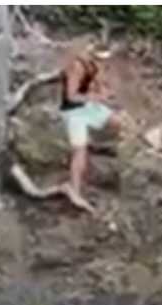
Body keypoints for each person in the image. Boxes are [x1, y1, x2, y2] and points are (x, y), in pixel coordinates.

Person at [57, 40, 129, 214]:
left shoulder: (95, 66)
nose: (103, 62)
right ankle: (75, 190)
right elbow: (71, 96)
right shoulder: (77, 66)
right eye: (100, 59)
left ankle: (105, 148)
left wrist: (103, 92)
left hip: (88, 106)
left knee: (119, 121)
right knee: (79, 152)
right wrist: (93, 97)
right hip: (73, 112)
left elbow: (96, 83)